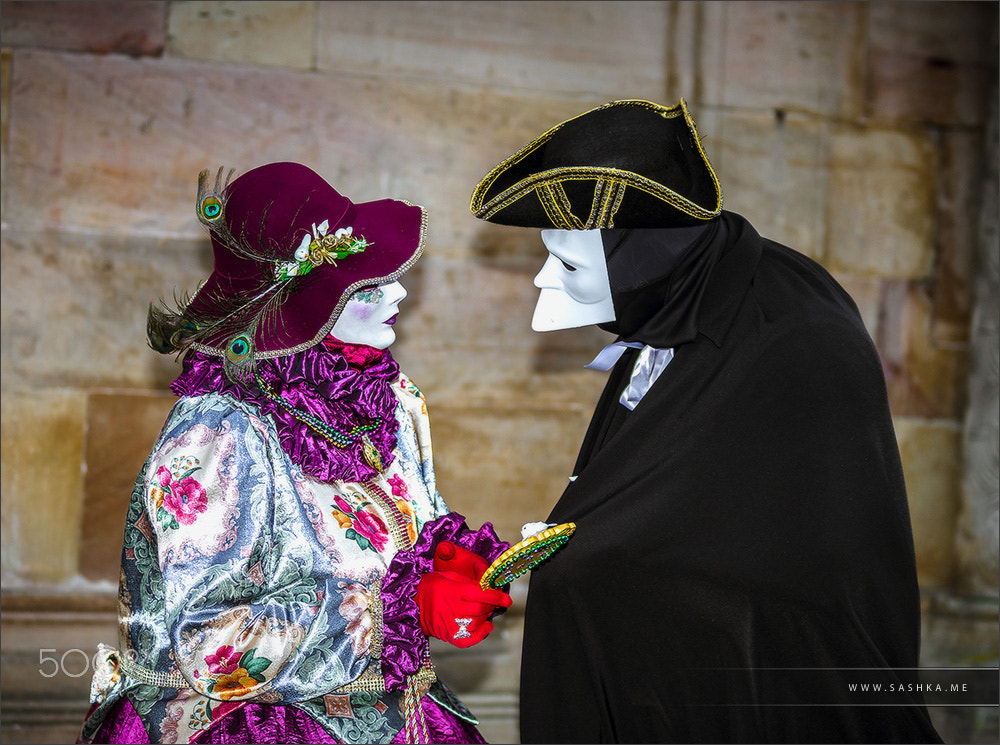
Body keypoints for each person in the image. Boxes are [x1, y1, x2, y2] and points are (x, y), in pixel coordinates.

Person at [469, 99, 943, 743]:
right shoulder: (683, 298)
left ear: (645, 259)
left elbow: (782, 547)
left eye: (572, 263)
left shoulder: (793, 332)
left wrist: (587, 548)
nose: (544, 280)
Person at [79, 162, 512, 745]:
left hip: (396, 712)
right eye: (370, 286)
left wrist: (452, 563)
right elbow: (211, 642)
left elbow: (406, 529)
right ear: (307, 303)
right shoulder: (220, 428)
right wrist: (399, 608)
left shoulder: (390, 398)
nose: (401, 294)